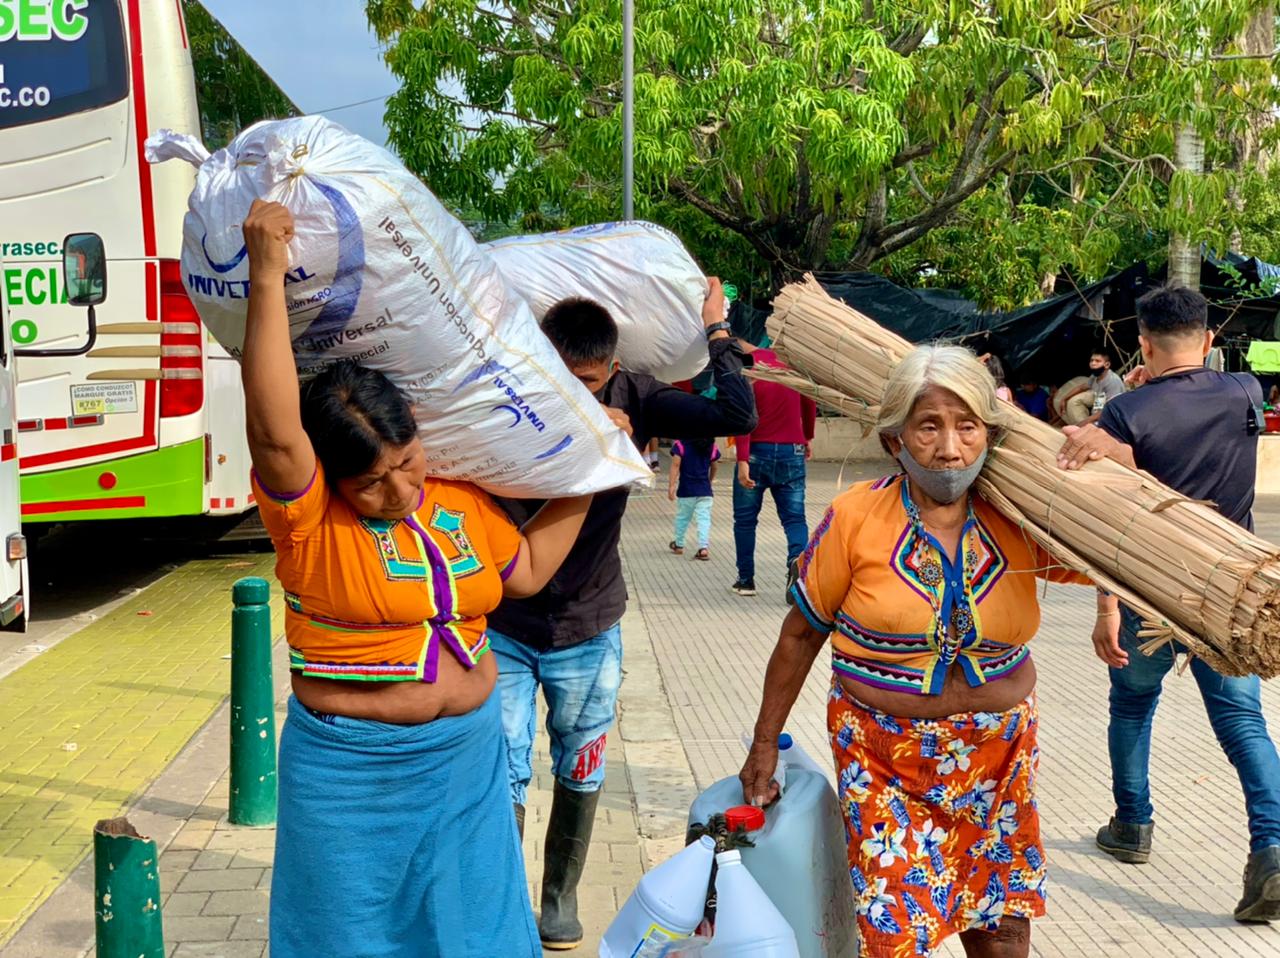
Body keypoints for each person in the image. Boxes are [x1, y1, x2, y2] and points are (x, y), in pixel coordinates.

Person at [239, 201, 594, 957]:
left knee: (476, 933)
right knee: (347, 937)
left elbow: (526, 571)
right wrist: (266, 275)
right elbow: (274, 433)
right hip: (349, 778)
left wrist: (590, 474)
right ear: (332, 479)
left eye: (406, 462)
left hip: (465, 763)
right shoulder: (309, 526)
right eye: (370, 482)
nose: (398, 490)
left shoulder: (459, 504)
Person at [739, 345, 1094, 958]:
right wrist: (764, 742)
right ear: (894, 439)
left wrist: (1109, 464)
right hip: (882, 762)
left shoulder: (1021, 519)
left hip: (997, 761)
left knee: (1003, 923)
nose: (950, 449)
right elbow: (800, 634)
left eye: (967, 427)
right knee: (894, 932)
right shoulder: (855, 517)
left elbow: (1109, 562)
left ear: (990, 434)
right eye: (929, 426)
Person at [489, 289, 757, 950]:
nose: (574, 394)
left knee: (580, 765)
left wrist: (716, 330)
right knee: (506, 766)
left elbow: (737, 412)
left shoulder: (637, 397)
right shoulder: (503, 395)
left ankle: (559, 896)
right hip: (504, 621)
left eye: (586, 382)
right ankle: (501, 900)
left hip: (589, 621)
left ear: (609, 369)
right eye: (560, 379)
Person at [1057, 285, 1280, 923]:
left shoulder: (1125, 417)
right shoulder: (1246, 391)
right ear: (1209, 341)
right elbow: (1194, 397)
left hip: (1148, 595)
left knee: (1132, 707)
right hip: (1229, 593)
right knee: (1243, 724)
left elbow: (1113, 520)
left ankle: (1133, 826)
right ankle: (1272, 847)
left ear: (1144, 344)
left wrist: (1105, 610)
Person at [731, 344, 817, 600]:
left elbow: (743, 415)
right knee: (794, 519)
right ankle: (796, 568)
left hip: (756, 451)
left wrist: (743, 458)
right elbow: (810, 402)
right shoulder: (794, 364)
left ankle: (746, 580)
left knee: (745, 521)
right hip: (793, 450)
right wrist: (807, 437)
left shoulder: (750, 369)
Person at [668, 435, 721, 560]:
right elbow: (715, 466)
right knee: (704, 519)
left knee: (683, 518)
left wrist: (671, 485)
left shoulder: (681, 444)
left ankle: (679, 544)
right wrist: (710, 480)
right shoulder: (711, 445)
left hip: (687, 489)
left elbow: (675, 465)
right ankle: (703, 548)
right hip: (705, 490)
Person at [1060, 350, 1124, 425]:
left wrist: (1086, 421)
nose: (1093, 363)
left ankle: (1086, 427)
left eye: (1097, 361)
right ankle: (1083, 427)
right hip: (1099, 398)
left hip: (1113, 413)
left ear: (1107, 364)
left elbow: (1111, 408)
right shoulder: (1095, 375)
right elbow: (1082, 387)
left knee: (1096, 415)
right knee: (1074, 401)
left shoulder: (1113, 381)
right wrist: (1064, 399)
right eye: (1092, 360)